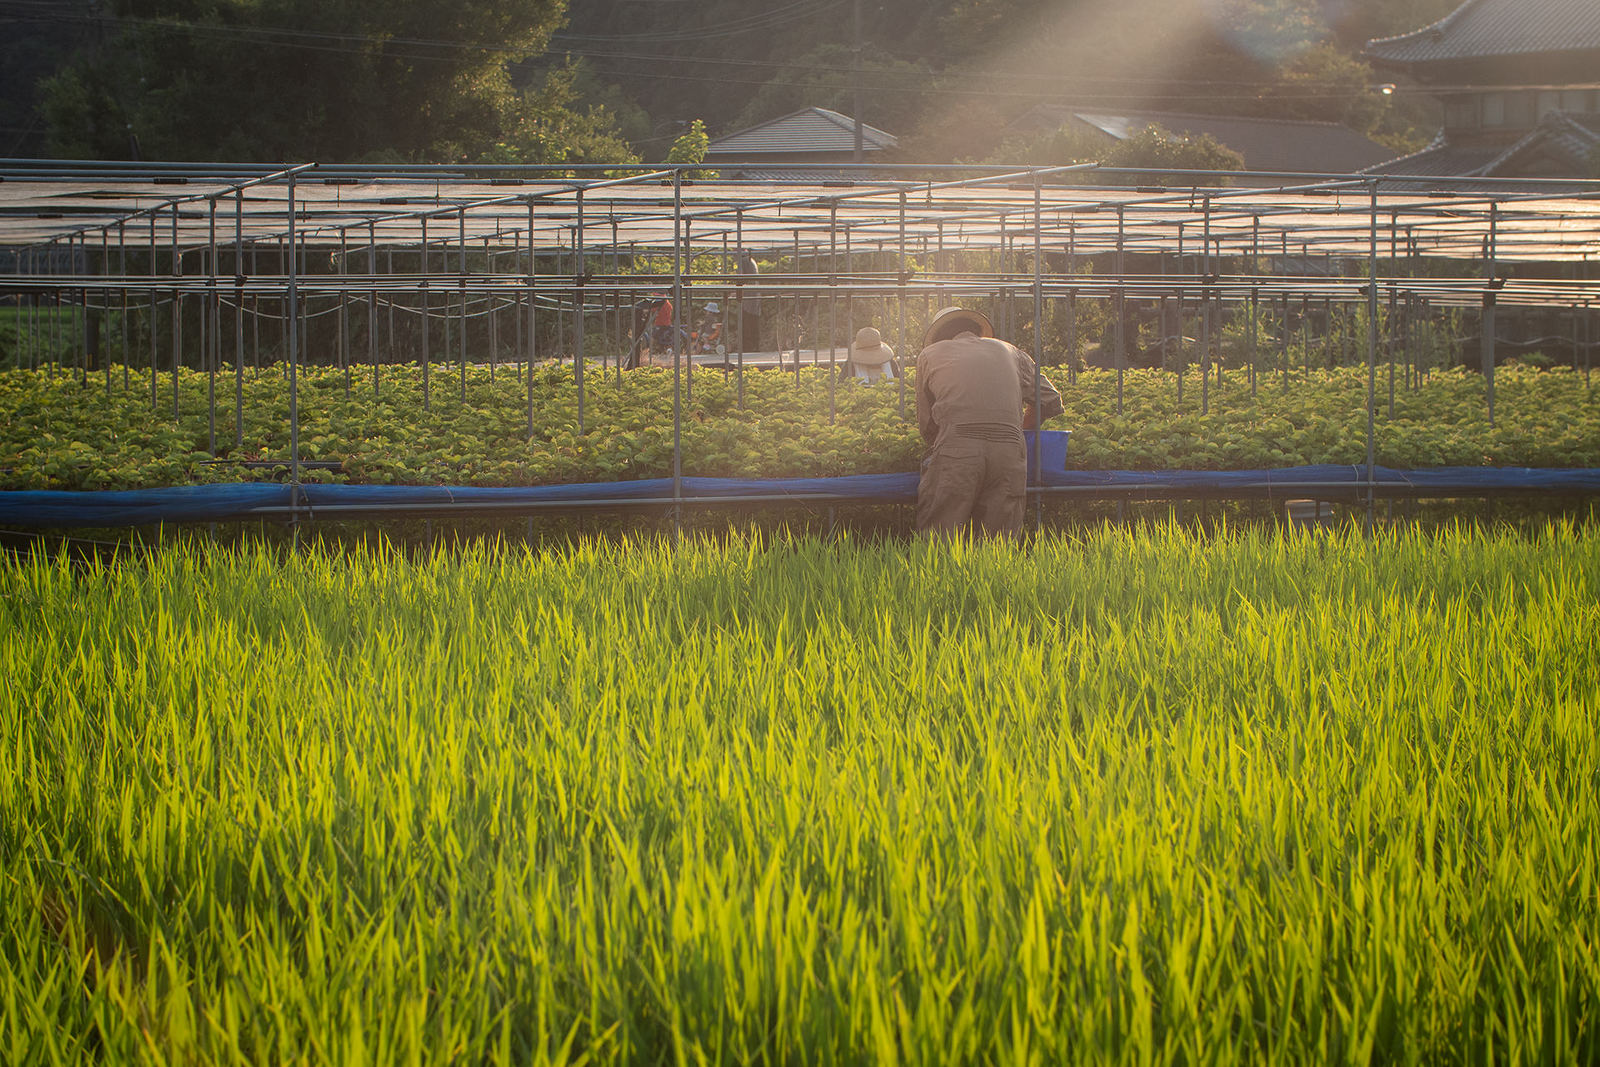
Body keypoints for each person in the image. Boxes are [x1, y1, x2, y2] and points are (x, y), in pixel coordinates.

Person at [914, 305, 1063, 536]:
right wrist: (1019, 430)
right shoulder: (1011, 351)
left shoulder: (930, 355)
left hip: (957, 449)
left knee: (939, 540)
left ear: (940, 336)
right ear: (977, 331)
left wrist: (943, 446)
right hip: (1009, 452)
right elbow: (1050, 400)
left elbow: (927, 425)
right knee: (998, 545)